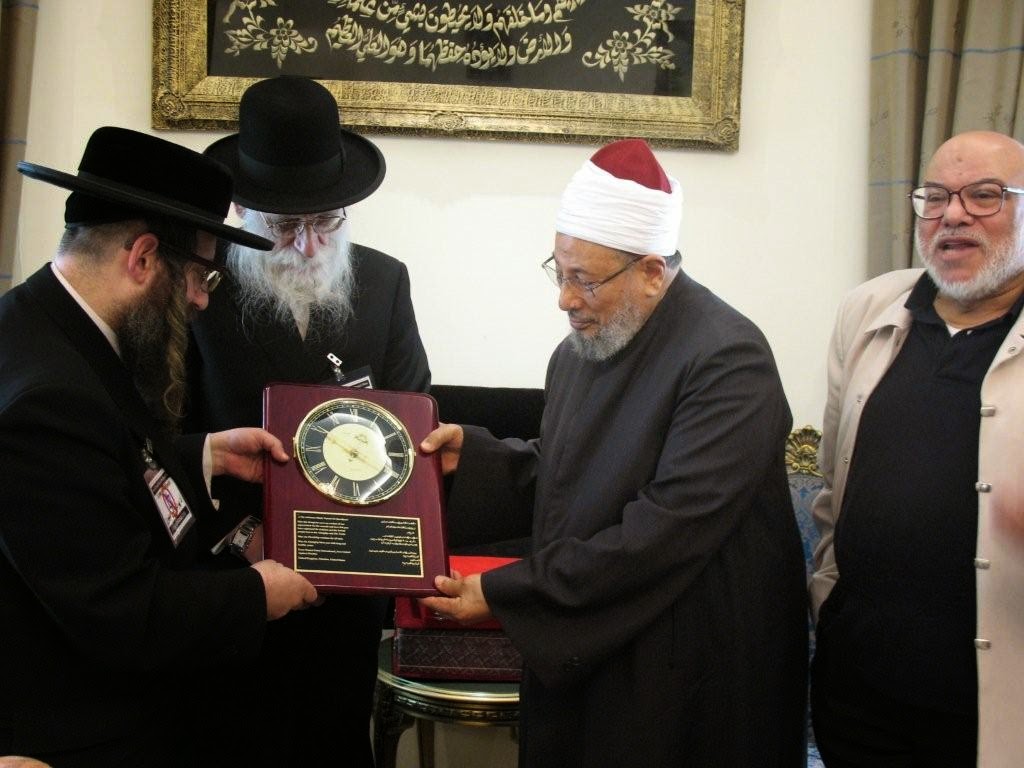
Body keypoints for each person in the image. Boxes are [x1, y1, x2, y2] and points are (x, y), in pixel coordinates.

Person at [420, 139, 809, 768]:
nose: (565, 299)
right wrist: (477, 457)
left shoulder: (728, 358)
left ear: (652, 272)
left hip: (687, 664)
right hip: (602, 638)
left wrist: (507, 591)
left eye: (585, 280)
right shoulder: (580, 350)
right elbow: (575, 474)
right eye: (559, 271)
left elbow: (665, 530)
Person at [0, 127, 319, 767]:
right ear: (143, 258)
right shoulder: (47, 399)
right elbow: (120, 609)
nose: (200, 299)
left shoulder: (49, 325)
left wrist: (203, 456)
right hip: (79, 734)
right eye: (201, 275)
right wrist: (257, 593)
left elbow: (101, 476)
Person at [185, 75, 430, 767]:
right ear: (243, 212)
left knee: (335, 743)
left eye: (327, 223)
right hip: (235, 583)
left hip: (350, 585)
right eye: (285, 228)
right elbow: (167, 441)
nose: (310, 246)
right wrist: (243, 540)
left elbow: (411, 424)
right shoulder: (199, 290)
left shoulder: (384, 282)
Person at [809, 130, 1024, 768]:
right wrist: (827, 597)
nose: (952, 215)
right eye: (935, 197)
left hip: (992, 707)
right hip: (859, 693)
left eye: (984, 195)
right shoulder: (869, 309)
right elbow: (833, 482)